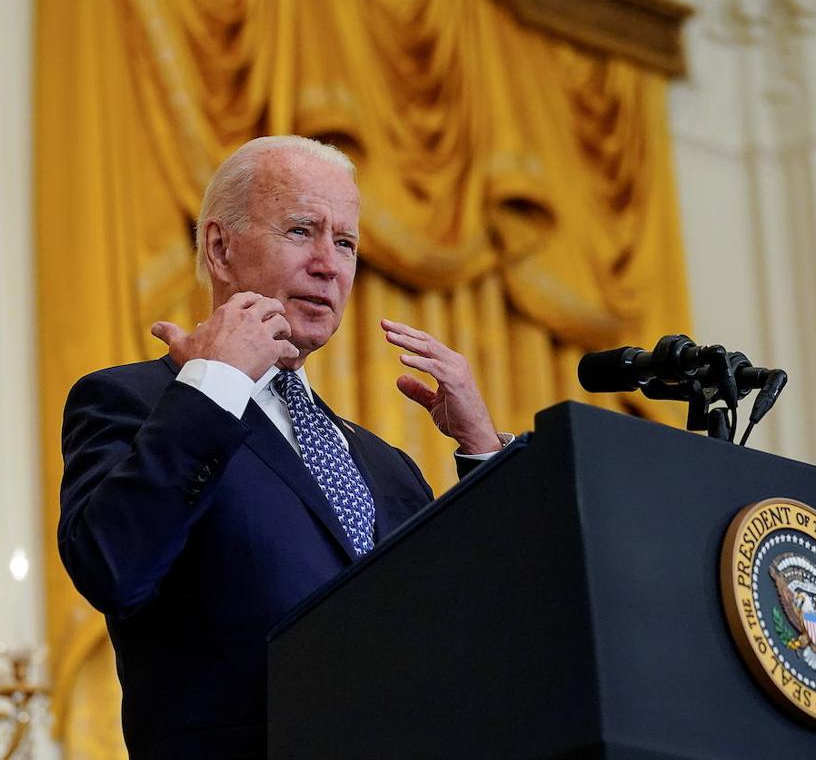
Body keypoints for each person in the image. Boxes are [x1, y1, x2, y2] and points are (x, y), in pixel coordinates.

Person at [57, 136, 512, 759]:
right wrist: (215, 384)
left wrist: (484, 452)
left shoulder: (387, 467)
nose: (330, 264)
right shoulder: (136, 402)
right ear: (220, 247)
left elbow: (481, 637)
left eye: (346, 243)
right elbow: (113, 565)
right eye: (302, 230)